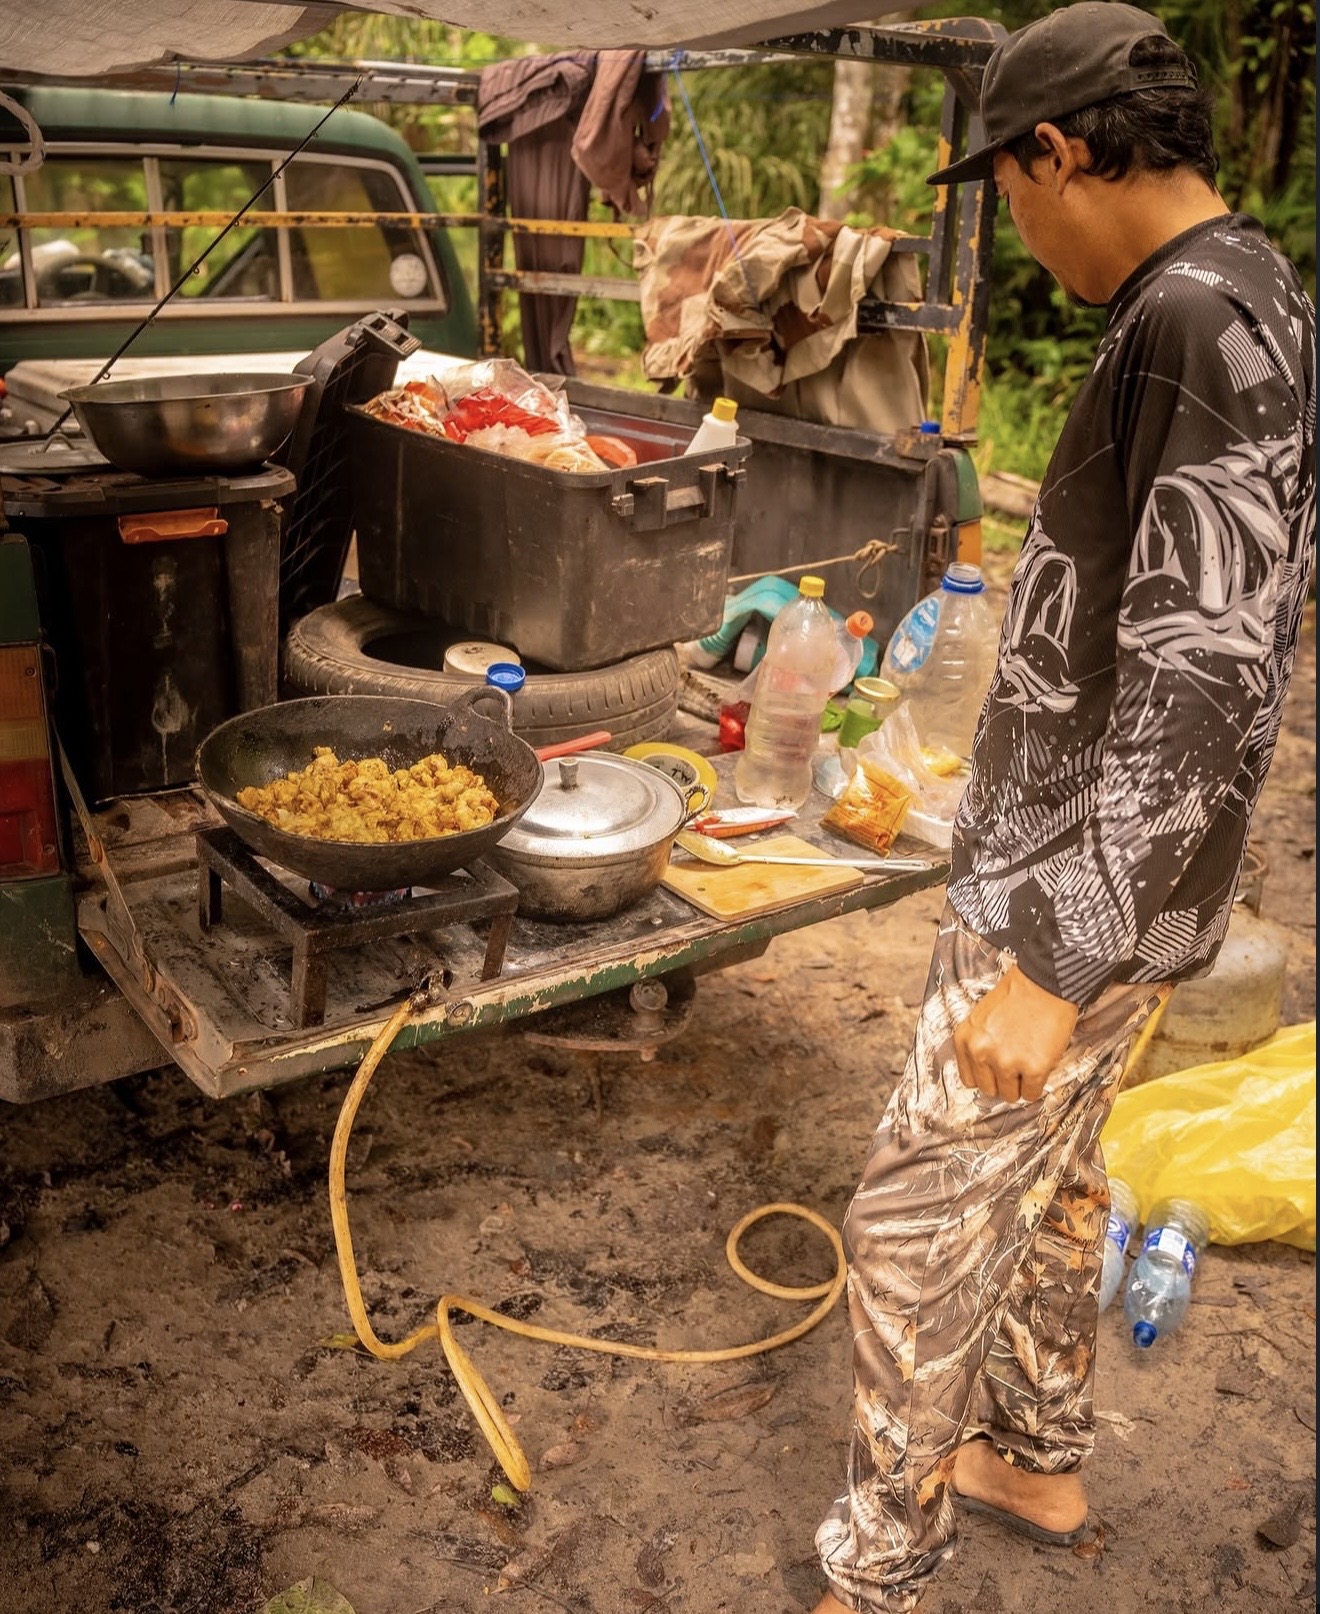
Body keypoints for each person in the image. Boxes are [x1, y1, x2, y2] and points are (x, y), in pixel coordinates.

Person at [811, 5, 1316, 1611]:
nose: (1016, 231)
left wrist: (1052, 958)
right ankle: (1030, 1451)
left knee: (908, 1213)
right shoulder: (1250, 292)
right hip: (1121, 879)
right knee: (1046, 1184)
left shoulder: (1194, 322)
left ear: (1063, 149)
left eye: (1012, 189)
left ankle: (877, 1563)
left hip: (1071, 894)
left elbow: (1203, 679)